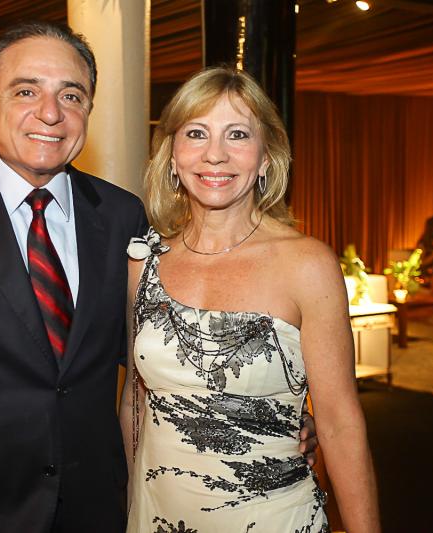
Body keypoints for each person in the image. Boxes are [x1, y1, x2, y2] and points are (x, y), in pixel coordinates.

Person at [0, 22, 317, 533]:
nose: (50, 113)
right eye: (26, 91)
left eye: (71, 95)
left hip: (96, 510)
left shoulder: (121, 217)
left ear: (88, 109)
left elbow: (159, 354)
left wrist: (266, 416)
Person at [120, 66, 379, 532]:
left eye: (237, 134)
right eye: (196, 133)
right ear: (172, 156)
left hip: (274, 518)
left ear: (265, 158)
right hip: (157, 515)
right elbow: (134, 404)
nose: (215, 154)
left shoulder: (307, 264)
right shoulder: (144, 262)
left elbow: (340, 424)